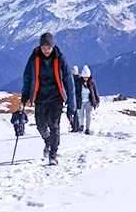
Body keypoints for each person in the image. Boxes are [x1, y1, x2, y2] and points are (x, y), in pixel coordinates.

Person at [21, 32, 75, 164]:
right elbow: (27, 77)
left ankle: (53, 154)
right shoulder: (34, 58)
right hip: (40, 97)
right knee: (40, 125)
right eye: (44, 48)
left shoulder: (60, 58)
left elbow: (69, 80)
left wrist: (71, 103)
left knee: (54, 126)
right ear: (40, 47)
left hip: (56, 96)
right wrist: (25, 94)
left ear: (53, 46)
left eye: (48, 48)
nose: (46, 51)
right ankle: (48, 141)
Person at [79, 65, 100, 134]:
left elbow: (95, 91)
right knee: (80, 115)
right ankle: (81, 125)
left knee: (89, 115)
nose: (86, 78)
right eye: (84, 77)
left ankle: (87, 128)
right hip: (80, 101)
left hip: (89, 101)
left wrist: (97, 100)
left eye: (87, 77)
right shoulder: (78, 83)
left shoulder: (92, 83)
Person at [70, 65, 84, 132]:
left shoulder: (78, 80)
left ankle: (75, 128)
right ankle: (75, 127)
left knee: (75, 113)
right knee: (75, 114)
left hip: (77, 99)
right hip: (76, 98)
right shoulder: (76, 79)